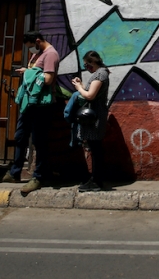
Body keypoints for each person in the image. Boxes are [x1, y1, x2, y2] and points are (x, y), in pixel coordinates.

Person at [13, 31, 60, 196]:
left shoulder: (50, 54)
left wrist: (28, 73)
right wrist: (28, 70)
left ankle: (39, 175)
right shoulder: (40, 54)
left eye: (31, 46)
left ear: (38, 41)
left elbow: (47, 79)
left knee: (39, 141)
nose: (31, 50)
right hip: (30, 102)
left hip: (41, 105)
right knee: (20, 135)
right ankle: (14, 171)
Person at [71, 51, 110, 192]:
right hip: (94, 116)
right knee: (95, 148)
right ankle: (95, 180)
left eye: (87, 64)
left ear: (93, 62)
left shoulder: (100, 74)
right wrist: (82, 85)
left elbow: (90, 95)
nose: (87, 67)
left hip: (95, 117)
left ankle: (96, 181)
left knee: (96, 149)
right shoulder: (100, 73)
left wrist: (79, 87)